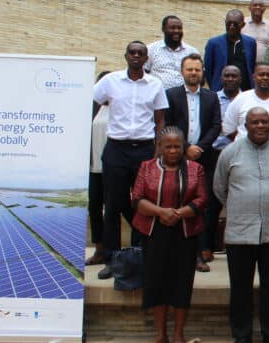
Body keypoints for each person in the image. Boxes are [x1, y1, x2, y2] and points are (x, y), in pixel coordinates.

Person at [214, 108, 269, 343]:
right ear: (245, 125)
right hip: (240, 231)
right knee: (240, 286)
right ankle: (241, 335)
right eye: (255, 122)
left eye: (265, 121)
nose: (260, 125)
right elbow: (220, 188)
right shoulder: (230, 153)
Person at [93, 41, 168, 277]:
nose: (136, 56)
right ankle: (112, 259)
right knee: (113, 205)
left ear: (146, 58)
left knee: (141, 204)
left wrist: (157, 151)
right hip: (116, 148)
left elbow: (160, 120)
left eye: (141, 53)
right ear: (125, 55)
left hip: (144, 150)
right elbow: (95, 101)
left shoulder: (155, 84)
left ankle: (139, 254)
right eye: (132, 53)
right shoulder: (110, 81)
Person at [132, 126, 208, 343]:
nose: (174, 150)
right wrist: (160, 212)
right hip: (154, 232)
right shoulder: (146, 168)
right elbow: (137, 199)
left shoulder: (195, 169)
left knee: (181, 282)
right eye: (169, 146)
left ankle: (178, 335)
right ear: (160, 147)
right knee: (157, 282)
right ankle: (160, 335)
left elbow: (203, 199)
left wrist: (179, 213)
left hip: (184, 232)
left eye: (177, 146)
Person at [163, 53, 222, 272]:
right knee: (175, 203)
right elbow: (166, 125)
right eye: (189, 69)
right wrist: (186, 146)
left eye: (197, 69)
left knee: (200, 206)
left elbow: (216, 125)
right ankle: (175, 255)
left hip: (203, 159)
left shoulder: (211, 97)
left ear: (202, 72)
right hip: (175, 159)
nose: (193, 73)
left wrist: (199, 148)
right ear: (182, 72)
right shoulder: (171, 95)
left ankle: (198, 254)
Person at [205, 65, 242, 257]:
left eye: (234, 76)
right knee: (212, 201)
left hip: (240, 154)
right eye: (226, 75)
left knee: (239, 199)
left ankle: (236, 246)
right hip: (215, 153)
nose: (230, 79)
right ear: (221, 77)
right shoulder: (212, 98)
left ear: (240, 79)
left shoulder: (247, 99)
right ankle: (207, 246)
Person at [86, 71, 111, 266]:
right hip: (93, 168)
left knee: (113, 209)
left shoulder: (122, 107)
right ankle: (100, 248)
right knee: (94, 207)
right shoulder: (92, 107)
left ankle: (115, 251)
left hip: (114, 168)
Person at [204, 10, 256, 92]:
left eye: (235, 24)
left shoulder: (250, 43)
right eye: (228, 23)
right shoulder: (213, 43)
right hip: (220, 90)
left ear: (242, 25)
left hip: (246, 90)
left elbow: (251, 67)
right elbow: (208, 70)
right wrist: (215, 86)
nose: (231, 27)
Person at [146, 15, 198, 89]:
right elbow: (144, 72)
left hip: (184, 97)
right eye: (172, 28)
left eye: (179, 28)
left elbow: (198, 75)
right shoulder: (151, 49)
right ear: (163, 29)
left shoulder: (191, 52)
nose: (176, 31)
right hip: (158, 95)